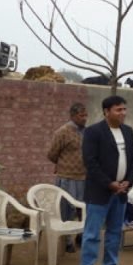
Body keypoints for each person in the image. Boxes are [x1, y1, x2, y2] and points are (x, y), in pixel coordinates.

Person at [79, 96, 133, 265]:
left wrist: (128, 181)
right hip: (99, 192)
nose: (123, 113)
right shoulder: (93, 132)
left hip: (121, 192)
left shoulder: (128, 132)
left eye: (124, 109)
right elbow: (90, 163)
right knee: (92, 233)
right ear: (106, 111)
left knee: (115, 232)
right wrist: (109, 183)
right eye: (118, 110)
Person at [47, 102, 88, 253]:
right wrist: (64, 164)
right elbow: (52, 154)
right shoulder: (62, 132)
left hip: (84, 177)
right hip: (67, 177)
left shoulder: (87, 132)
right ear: (72, 116)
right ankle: (67, 240)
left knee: (82, 208)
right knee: (67, 209)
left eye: (86, 115)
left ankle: (81, 236)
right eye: (81, 115)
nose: (84, 118)